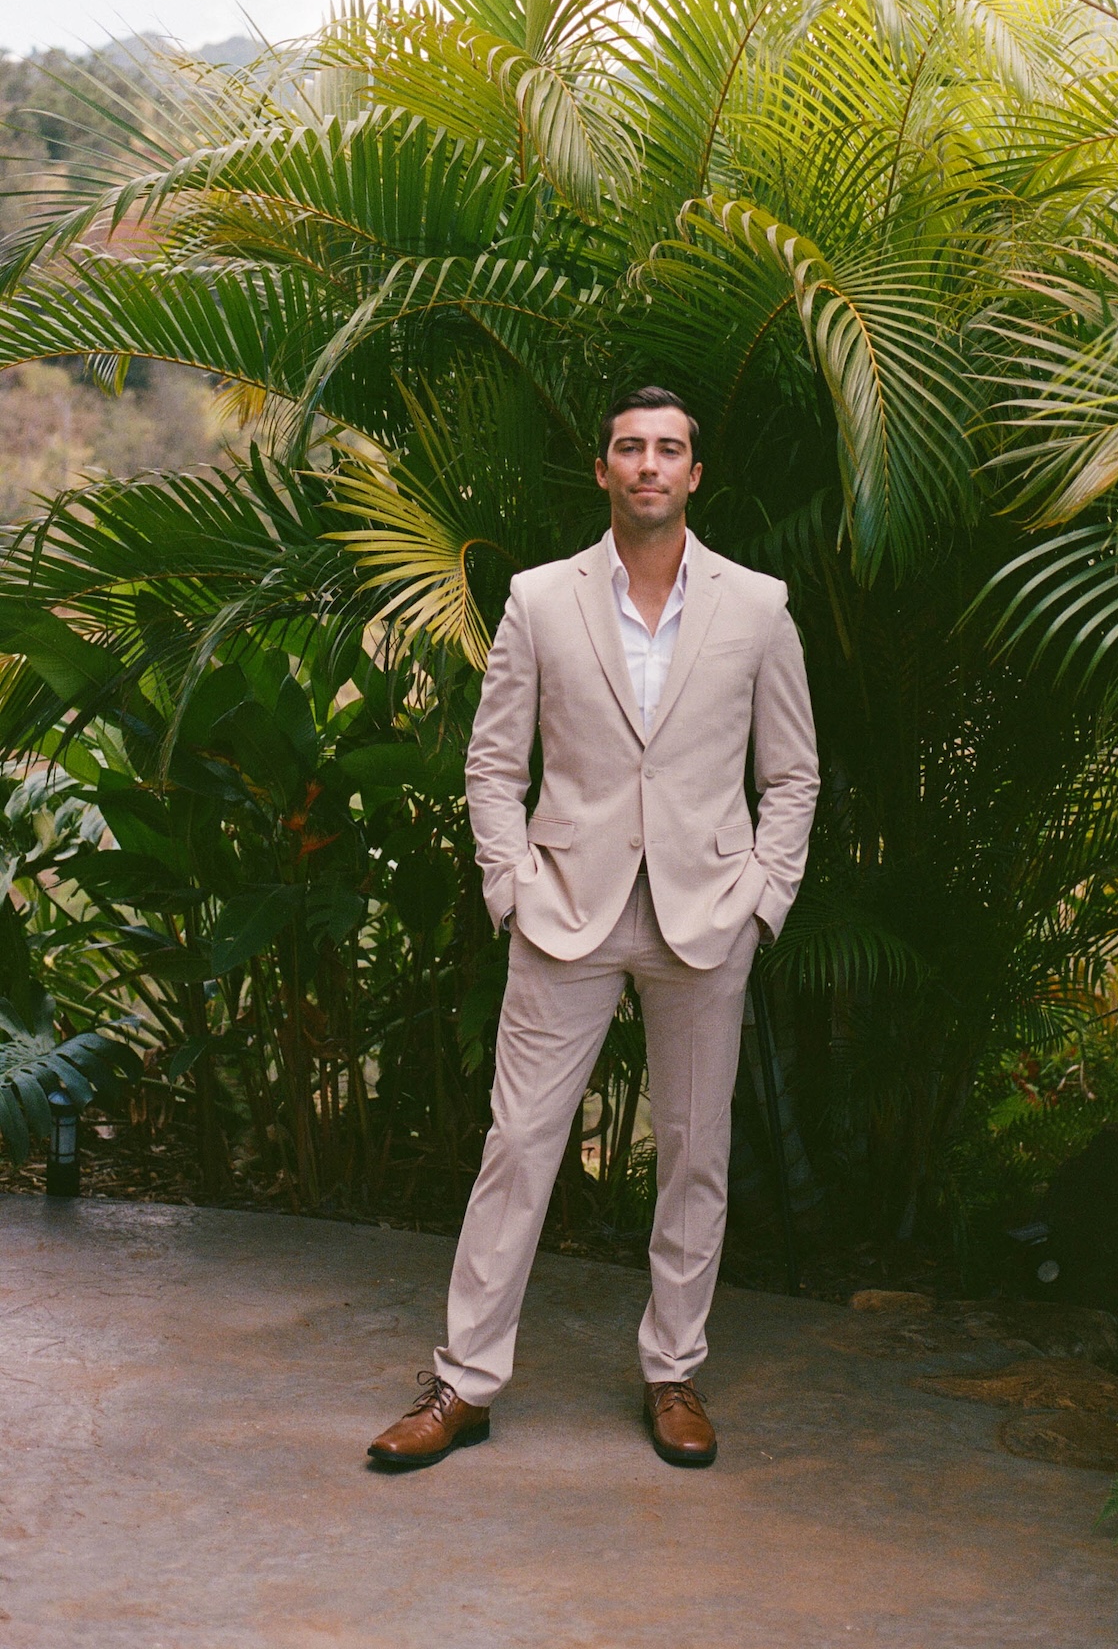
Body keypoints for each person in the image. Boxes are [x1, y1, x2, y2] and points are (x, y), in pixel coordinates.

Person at [367, 386, 819, 1470]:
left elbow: (792, 773)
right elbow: (492, 762)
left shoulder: (756, 605)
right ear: (604, 469)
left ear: (694, 474)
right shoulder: (537, 598)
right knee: (516, 1147)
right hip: (562, 912)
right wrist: (508, 884)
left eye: (669, 448)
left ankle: (674, 1372)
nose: (650, 464)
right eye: (630, 447)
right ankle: (464, 1385)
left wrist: (764, 897)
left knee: (696, 1156)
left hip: (704, 918)